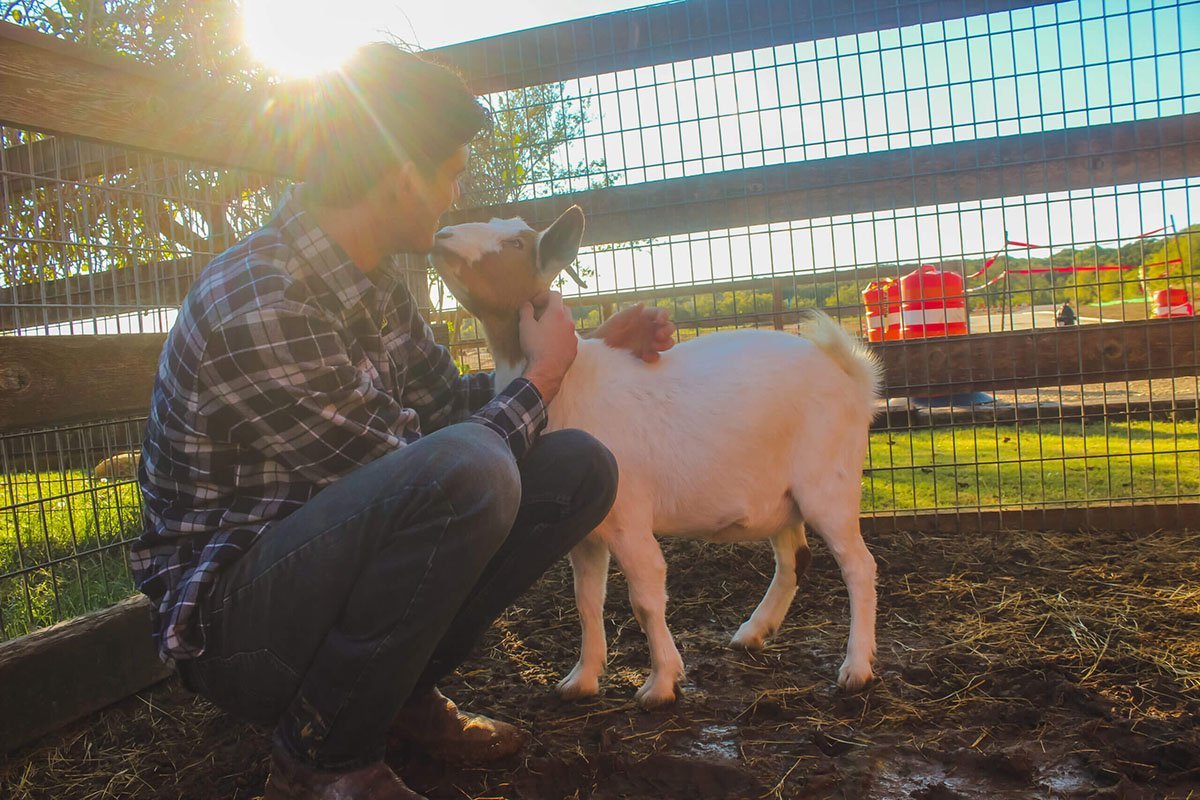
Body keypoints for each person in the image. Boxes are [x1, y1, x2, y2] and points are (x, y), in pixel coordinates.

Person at [130, 43, 675, 800]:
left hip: (326, 581)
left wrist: (585, 356)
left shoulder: (373, 285)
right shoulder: (263, 298)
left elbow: (456, 408)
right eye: (450, 175)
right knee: (475, 472)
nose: (452, 199)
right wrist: (546, 375)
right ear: (400, 173)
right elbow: (423, 463)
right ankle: (322, 759)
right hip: (242, 633)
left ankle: (396, 699)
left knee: (579, 466)